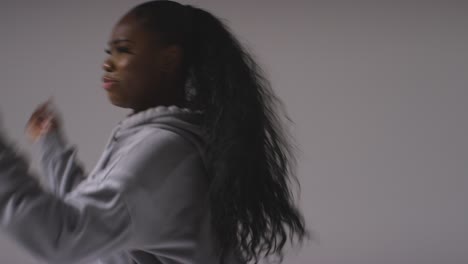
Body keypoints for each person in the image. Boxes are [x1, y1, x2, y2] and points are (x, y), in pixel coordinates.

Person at [0, 1, 308, 263]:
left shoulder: (164, 151)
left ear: (168, 60)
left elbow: (63, 236)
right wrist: (50, 144)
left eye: (123, 50)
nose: (108, 64)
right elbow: (97, 225)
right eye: (109, 52)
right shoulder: (167, 143)